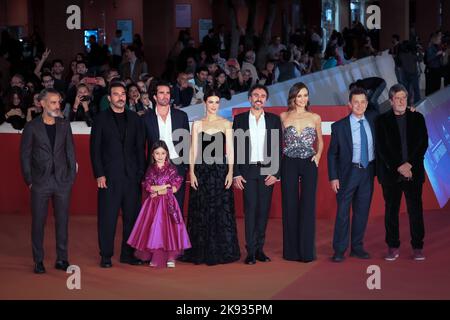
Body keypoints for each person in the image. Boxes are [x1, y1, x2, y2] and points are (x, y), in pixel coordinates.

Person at [181, 89, 240, 265]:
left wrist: (230, 172)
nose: (214, 105)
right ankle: (201, 250)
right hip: (201, 170)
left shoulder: (226, 123)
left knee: (220, 210)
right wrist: (191, 172)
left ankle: (221, 249)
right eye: (210, 102)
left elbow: (230, 150)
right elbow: (193, 151)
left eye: (216, 102)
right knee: (201, 209)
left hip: (220, 170)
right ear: (204, 103)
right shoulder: (197, 124)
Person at [20, 88, 77, 274]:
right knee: (38, 222)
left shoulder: (64, 124)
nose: (57, 105)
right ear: (42, 103)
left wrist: (70, 178)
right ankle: (38, 260)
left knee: (62, 221)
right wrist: (30, 181)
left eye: (58, 102)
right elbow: (25, 156)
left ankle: (62, 258)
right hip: (40, 182)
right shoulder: (31, 127)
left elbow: (70, 152)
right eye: (52, 102)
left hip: (62, 182)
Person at [90, 81, 146, 268]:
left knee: (132, 218)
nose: (121, 97)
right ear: (109, 98)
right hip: (109, 178)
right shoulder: (100, 119)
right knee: (108, 218)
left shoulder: (135, 119)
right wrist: (99, 174)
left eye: (123, 94)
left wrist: (140, 174)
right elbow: (95, 150)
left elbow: (140, 149)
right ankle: (105, 255)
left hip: (132, 178)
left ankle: (128, 254)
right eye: (116, 94)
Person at [375, 84, 429, 261]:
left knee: (415, 210)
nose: (401, 101)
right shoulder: (381, 121)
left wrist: (409, 165)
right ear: (391, 101)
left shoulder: (418, 118)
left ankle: (418, 246)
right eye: (397, 98)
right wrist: (399, 166)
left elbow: (423, 144)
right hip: (391, 174)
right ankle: (392, 246)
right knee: (391, 210)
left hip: (413, 172)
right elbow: (382, 148)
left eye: (404, 98)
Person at [232, 84, 282, 265]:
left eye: (262, 95)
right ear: (249, 98)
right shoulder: (239, 120)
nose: (258, 98)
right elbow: (234, 148)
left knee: (263, 211)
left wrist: (276, 172)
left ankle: (260, 249)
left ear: (266, 99)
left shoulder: (274, 120)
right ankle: (250, 251)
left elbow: (278, 147)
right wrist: (236, 173)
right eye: (255, 95)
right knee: (250, 210)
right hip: (248, 171)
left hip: (268, 171)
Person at [328, 87, 377, 262]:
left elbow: (394, 118)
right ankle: (340, 250)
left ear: (367, 103)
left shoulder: (374, 119)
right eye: (356, 102)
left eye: (363, 101)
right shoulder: (339, 126)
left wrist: (410, 110)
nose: (360, 105)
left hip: (368, 172)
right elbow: (332, 154)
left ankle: (357, 247)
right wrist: (333, 177)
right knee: (342, 212)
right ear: (349, 104)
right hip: (347, 174)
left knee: (361, 212)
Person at [127, 140, 191, 268]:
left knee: (169, 230)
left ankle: (170, 257)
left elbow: (174, 188)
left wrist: (158, 191)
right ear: (152, 155)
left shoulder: (172, 169)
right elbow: (148, 186)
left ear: (167, 154)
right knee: (154, 229)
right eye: (157, 153)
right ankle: (154, 255)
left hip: (169, 205)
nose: (160, 156)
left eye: (162, 153)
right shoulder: (151, 170)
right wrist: (164, 186)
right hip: (153, 206)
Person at [280, 82, 323, 262]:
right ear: (293, 98)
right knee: (289, 205)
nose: (302, 99)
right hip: (289, 161)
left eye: (305, 95)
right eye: (299, 96)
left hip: (308, 162)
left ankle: (306, 252)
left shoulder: (315, 117)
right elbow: (281, 140)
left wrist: (318, 157)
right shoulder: (283, 116)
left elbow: (320, 140)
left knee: (307, 206)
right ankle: (291, 252)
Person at [143, 81, 190, 213]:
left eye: (168, 93)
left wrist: (185, 166)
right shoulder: (146, 119)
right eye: (161, 93)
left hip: (177, 165)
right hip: (155, 168)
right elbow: (141, 146)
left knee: (176, 207)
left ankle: (176, 234)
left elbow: (186, 143)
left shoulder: (181, 116)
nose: (165, 96)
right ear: (154, 96)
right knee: (156, 208)